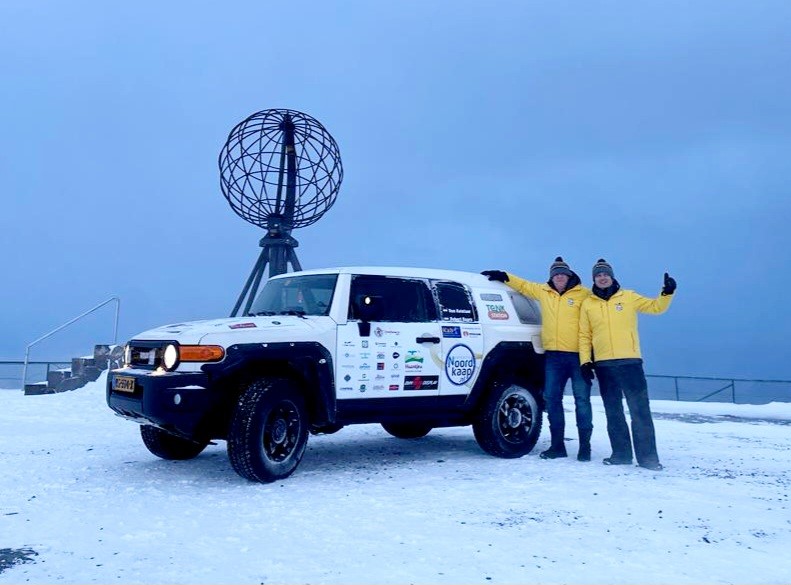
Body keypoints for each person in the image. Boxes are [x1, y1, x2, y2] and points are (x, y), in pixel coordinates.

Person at [482, 257, 593, 461]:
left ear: (569, 276)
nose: (559, 277)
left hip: (578, 357)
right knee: (552, 399)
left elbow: (598, 317)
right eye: (556, 275)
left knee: (582, 401)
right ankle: (557, 446)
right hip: (553, 357)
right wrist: (504, 276)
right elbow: (524, 285)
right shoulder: (544, 291)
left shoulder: (584, 294)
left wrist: (590, 358)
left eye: (563, 274)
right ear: (552, 277)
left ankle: (585, 447)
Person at [578, 259, 676, 471]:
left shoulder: (628, 296)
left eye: (605, 274)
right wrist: (585, 361)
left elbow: (655, 307)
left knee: (640, 410)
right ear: (594, 279)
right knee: (613, 411)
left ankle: (648, 458)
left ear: (612, 277)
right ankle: (621, 454)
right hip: (603, 365)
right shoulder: (588, 304)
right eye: (598, 275)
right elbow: (584, 335)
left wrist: (667, 293)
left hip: (630, 362)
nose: (602, 278)